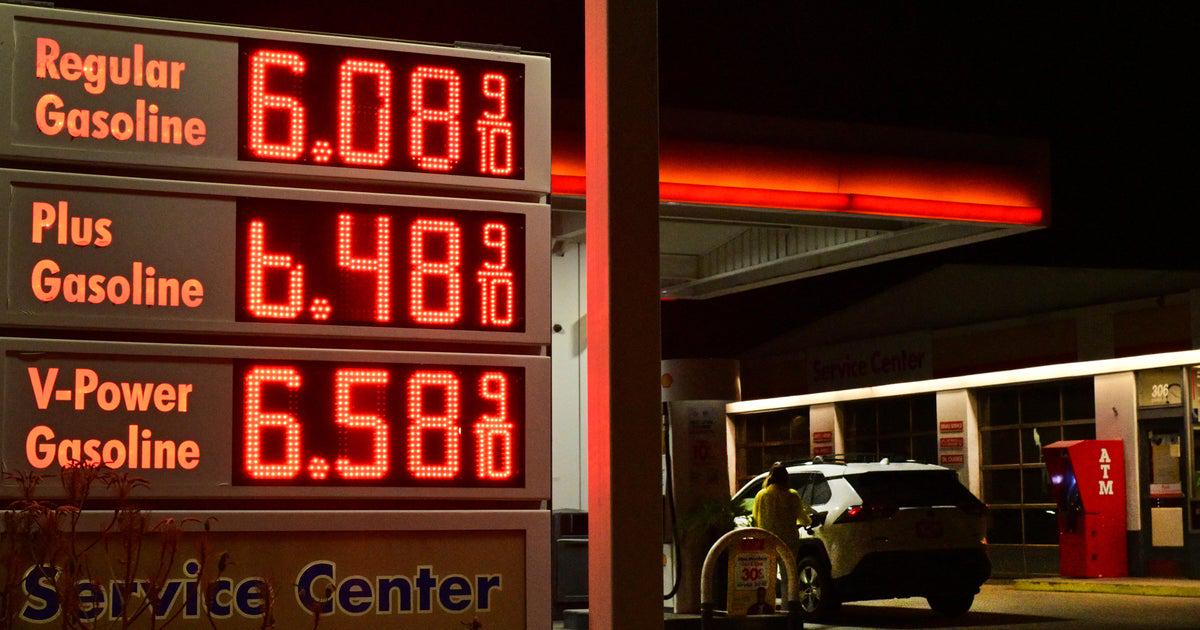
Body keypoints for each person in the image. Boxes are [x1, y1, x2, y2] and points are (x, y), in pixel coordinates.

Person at [751, 462, 811, 558]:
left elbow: (755, 517)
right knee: (788, 566)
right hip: (789, 541)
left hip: (767, 541)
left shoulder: (761, 495)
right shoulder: (792, 495)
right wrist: (808, 522)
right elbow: (802, 517)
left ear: (770, 477)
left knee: (770, 565)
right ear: (786, 477)